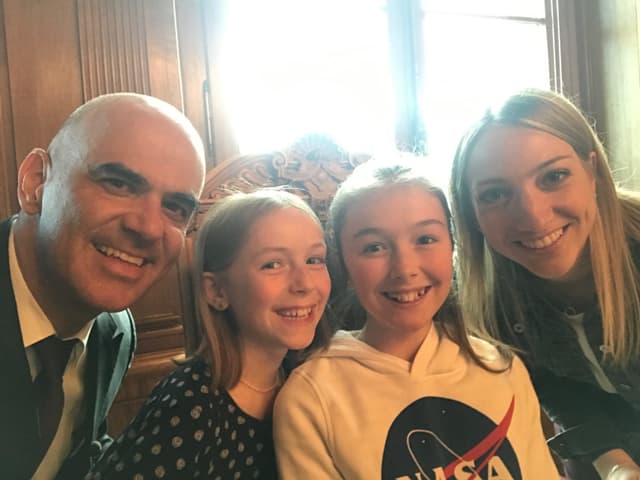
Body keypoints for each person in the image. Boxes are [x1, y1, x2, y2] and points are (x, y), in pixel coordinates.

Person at [273, 158, 559, 479]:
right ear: (343, 263)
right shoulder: (313, 397)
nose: (405, 269)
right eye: (374, 247)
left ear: (452, 246)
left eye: (425, 239)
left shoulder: (499, 367)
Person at [0, 92, 206, 479]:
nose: (146, 227)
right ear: (35, 183)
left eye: (175, 208)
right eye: (118, 183)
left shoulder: (116, 331)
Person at [449, 88, 640, 479]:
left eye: (554, 177)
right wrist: (616, 466)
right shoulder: (488, 294)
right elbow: (560, 390)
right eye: (496, 194)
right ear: (472, 213)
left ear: (593, 173)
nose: (533, 218)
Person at [86, 189, 333, 479]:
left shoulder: (307, 378)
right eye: (273, 264)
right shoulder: (192, 402)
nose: (303, 284)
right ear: (216, 291)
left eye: (314, 260)